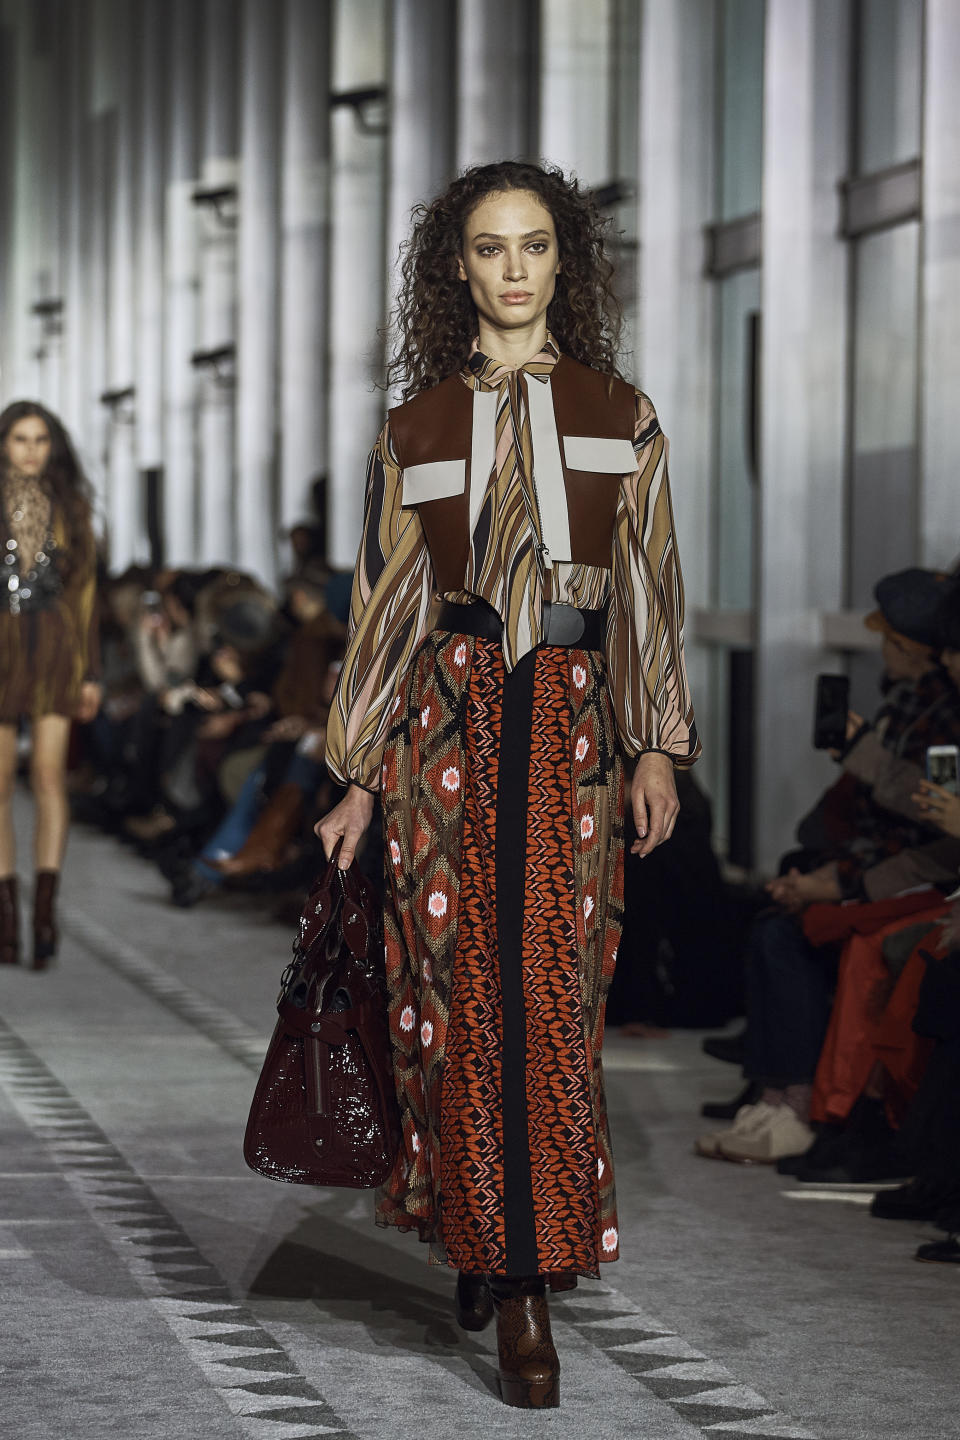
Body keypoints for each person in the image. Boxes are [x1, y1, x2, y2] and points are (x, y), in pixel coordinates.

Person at [317, 161, 700, 1409]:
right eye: (491, 248)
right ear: (459, 269)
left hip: (575, 736)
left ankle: (519, 1257)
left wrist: (656, 746)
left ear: (563, 265)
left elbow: (646, 591)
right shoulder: (415, 429)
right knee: (450, 990)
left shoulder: (620, 414)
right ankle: (500, 1258)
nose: (516, 268)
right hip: (445, 729)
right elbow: (385, 610)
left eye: (536, 245)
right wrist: (357, 777)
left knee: (552, 993)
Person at [0, 401, 101, 968]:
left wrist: (90, 672)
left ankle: (43, 915)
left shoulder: (71, 508)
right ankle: (6, 920)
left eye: (40, 439)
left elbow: (85, 593)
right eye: (20, 439)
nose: (31, 449)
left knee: (46, 777)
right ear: (3, 445)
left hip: (57, 648)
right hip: (1, 647)